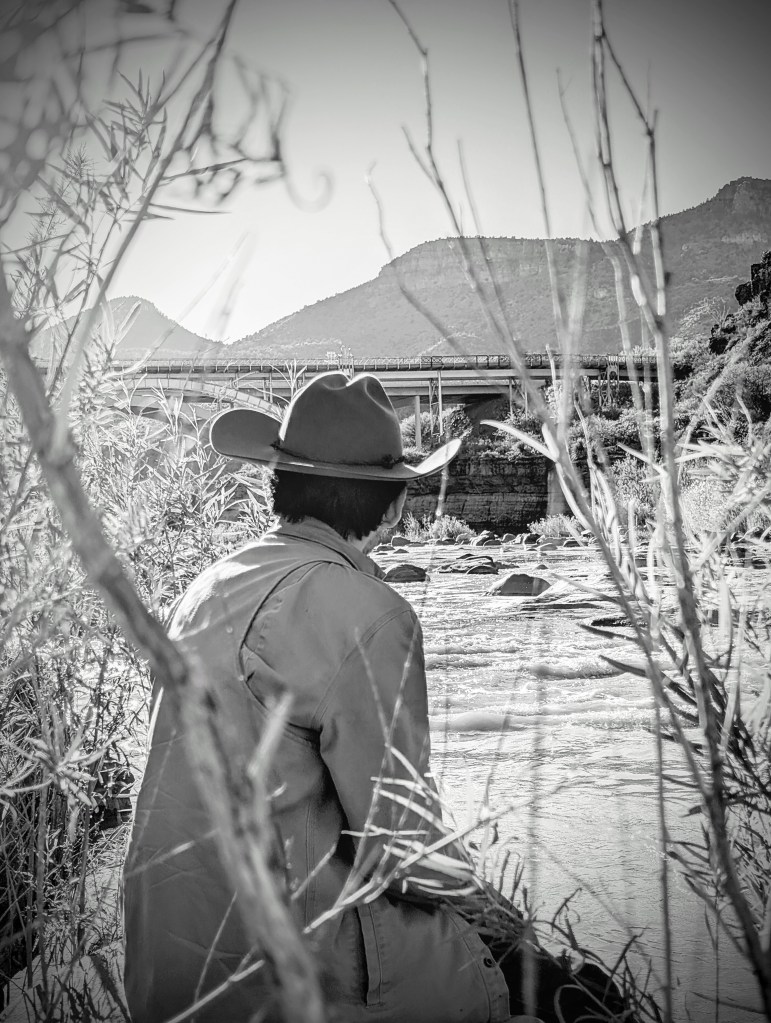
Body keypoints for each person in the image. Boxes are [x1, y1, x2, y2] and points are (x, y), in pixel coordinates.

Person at [123, 372, 628, 1023]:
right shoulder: (365, 611)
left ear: (279, 487)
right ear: (392, 506)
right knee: (566, 996)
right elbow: (405, 852)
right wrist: (516, 934)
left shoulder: (205, 587)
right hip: (293, 985)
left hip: (171, 976)